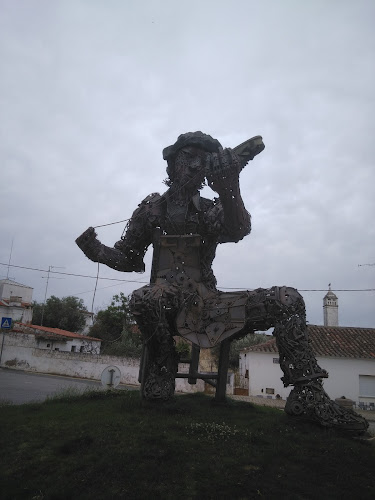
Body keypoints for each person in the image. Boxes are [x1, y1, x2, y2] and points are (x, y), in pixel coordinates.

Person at [76, 131, 368, 431]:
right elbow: (129, 258)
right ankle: (162, 367)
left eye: (201, 161)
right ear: (173, 163)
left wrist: (229, 187)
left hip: (210, 305)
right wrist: (97, 251)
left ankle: (309, 395)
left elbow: (238, 228)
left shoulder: (210, 209)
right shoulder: (151, 211)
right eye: (186, 158)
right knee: (146, 297)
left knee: (287, 300)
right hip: (165, 303)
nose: (192, 166)